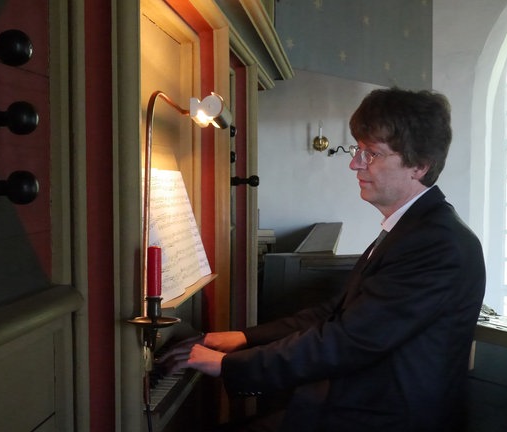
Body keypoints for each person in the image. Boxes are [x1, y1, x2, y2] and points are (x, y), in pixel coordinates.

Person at [159, 88, 486, 431]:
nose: (354, 163)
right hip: (357, 405)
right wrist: (242, 338)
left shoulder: (437, 243)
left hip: (383, 417)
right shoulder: (412, 228)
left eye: (371, 153)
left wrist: (229, 366)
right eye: (357, 150)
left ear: (419, 166)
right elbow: (333, 313)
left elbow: (348, 340)